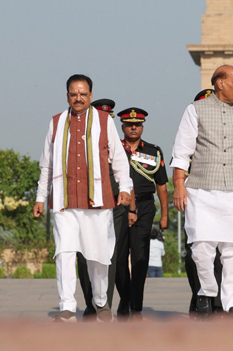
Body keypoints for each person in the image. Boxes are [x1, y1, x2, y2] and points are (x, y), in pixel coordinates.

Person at [171, 65, 233, 320]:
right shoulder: (195, 110)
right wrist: (179, 186)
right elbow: (181, 152)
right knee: (201, 247)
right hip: (202, 190)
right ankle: (207, 291)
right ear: (219, 83)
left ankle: (229, 305)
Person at [33, 74, 133, 322]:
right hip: (64, 202)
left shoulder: (103, 121)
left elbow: (118, 158)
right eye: (74, 93)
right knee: (65, 253)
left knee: (98, 255)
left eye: (83, 94)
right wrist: (40, 197)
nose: (78, 98)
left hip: (97, 201)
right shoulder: (56, 122)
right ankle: (67, 307)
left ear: (90, 95)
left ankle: (101, 303)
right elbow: (47, 164)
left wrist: (125, 187)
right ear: (67, 95)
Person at [75, 98, 129, 320]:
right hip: (82, 201)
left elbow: (122, 169)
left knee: (109, 253)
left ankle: (104, 305)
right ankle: (90, 303)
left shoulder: (112, 137)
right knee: (84, 253)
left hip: (112, 201)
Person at [114, 107, 169, 319]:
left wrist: (165, 215)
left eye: (137, 124)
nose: (133, 128)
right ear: (123, 127)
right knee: (118, 258)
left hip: (145, 207)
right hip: (119, 207)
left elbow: (162, 185)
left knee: (140, 258)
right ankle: (125, 298)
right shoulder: (114, 148)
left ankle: (135, 307)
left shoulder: (153, 151)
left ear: (142, 126)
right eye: (129, 125)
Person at [182, 89, 224, 317]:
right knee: (195, 254)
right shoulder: (188, 139)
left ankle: (218, 303)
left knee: (221, 255)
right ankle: (198, 298)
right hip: (197, 202)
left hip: (223, 201)